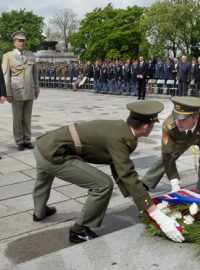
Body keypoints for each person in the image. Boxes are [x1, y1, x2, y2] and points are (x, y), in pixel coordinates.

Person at [32, 100, 184, 244]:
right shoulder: (121, 139)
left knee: (43, 179)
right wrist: (155, 213)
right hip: (54, 154)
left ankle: (39, 213)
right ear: (146, 127)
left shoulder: (120, 127)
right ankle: (79, 230)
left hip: (44, 144)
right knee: (103, 185)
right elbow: (127, 174)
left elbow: (118, 166)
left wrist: (136, 198)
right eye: (152, 124)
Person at [142, 96, 200, 194]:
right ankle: (146, 182)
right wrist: (175, 184)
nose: (178, 122)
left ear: (196, 116)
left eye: (183, 119)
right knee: (170, 154)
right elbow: (167, 156)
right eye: (176, 117)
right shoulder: (170, 126)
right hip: (181, 137)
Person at [2, 30, 40, 151]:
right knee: (17, 118)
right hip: (16, 92)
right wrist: (7, 93)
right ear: (14, 42)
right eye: (19, 41)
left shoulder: (31, 55)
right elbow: (6, 76)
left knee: (27, 117)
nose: (22, 43)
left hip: (29, 90)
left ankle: (27, 139)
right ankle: (19, 140)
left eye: (23, 41)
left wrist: (37, 89)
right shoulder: (8, 56)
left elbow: (35, 74)